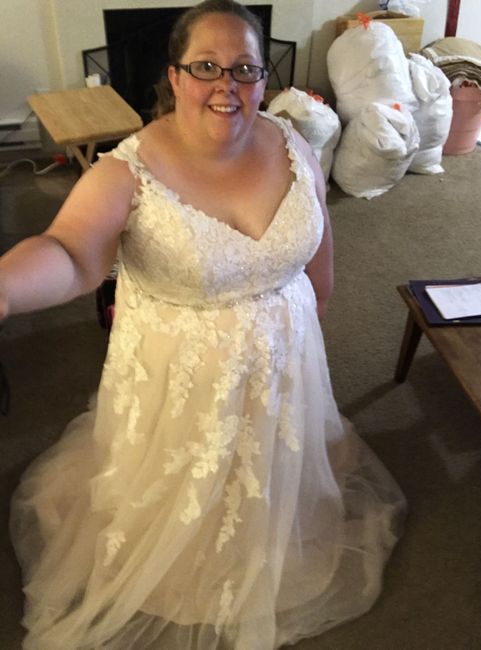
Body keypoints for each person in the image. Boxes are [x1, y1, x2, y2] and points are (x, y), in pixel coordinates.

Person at [1, 1, 406, 648]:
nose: (227, 85)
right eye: (207, 67)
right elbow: (70, 253)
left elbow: (318, 253)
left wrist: (308, 330)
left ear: (263, 79)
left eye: (245, 69)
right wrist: (4, 288)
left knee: (273, 476)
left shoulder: (293, 143)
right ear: (176, 76)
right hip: (181, 382)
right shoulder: (125, 170)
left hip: (283, 362)